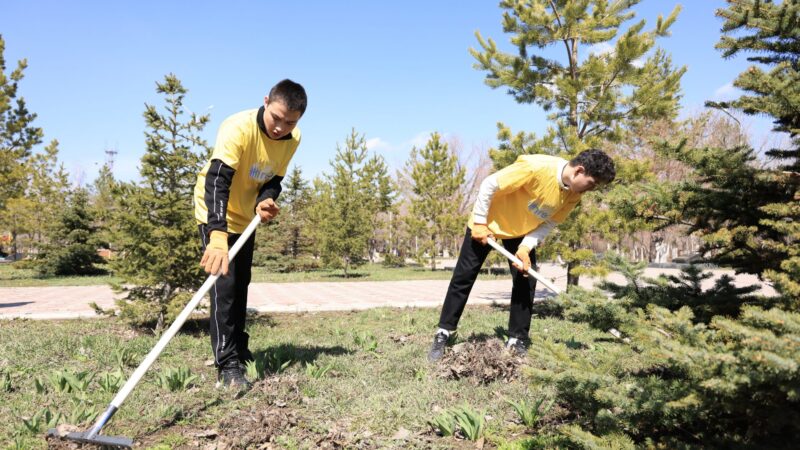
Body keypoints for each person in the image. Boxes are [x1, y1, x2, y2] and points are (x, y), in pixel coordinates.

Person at [427, 149, 616, 361]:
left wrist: (526, 247)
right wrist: (480, 222)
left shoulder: (574, 194)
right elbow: (490, 184)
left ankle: (517, 339)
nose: (591, 189)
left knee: (526, 280)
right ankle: (444, 333)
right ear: (579, 171)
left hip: (521, 231)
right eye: (592, 183)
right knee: (464, 276)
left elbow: (550, 222)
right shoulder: (535, 167)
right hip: (487, 222)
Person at [194, 79, 307, 388]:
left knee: (241, 281)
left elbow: (274, 179)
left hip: (246, 217)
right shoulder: (237, 128)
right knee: (224, 287)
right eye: (276, 118)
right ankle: (227, 363)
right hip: (215, 212)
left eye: (290, 122)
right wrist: (217, 234)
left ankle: (239, 346)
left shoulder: (292, 138)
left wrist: (266, 200)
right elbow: (217, 180)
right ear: (266, 100)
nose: (280, 128)